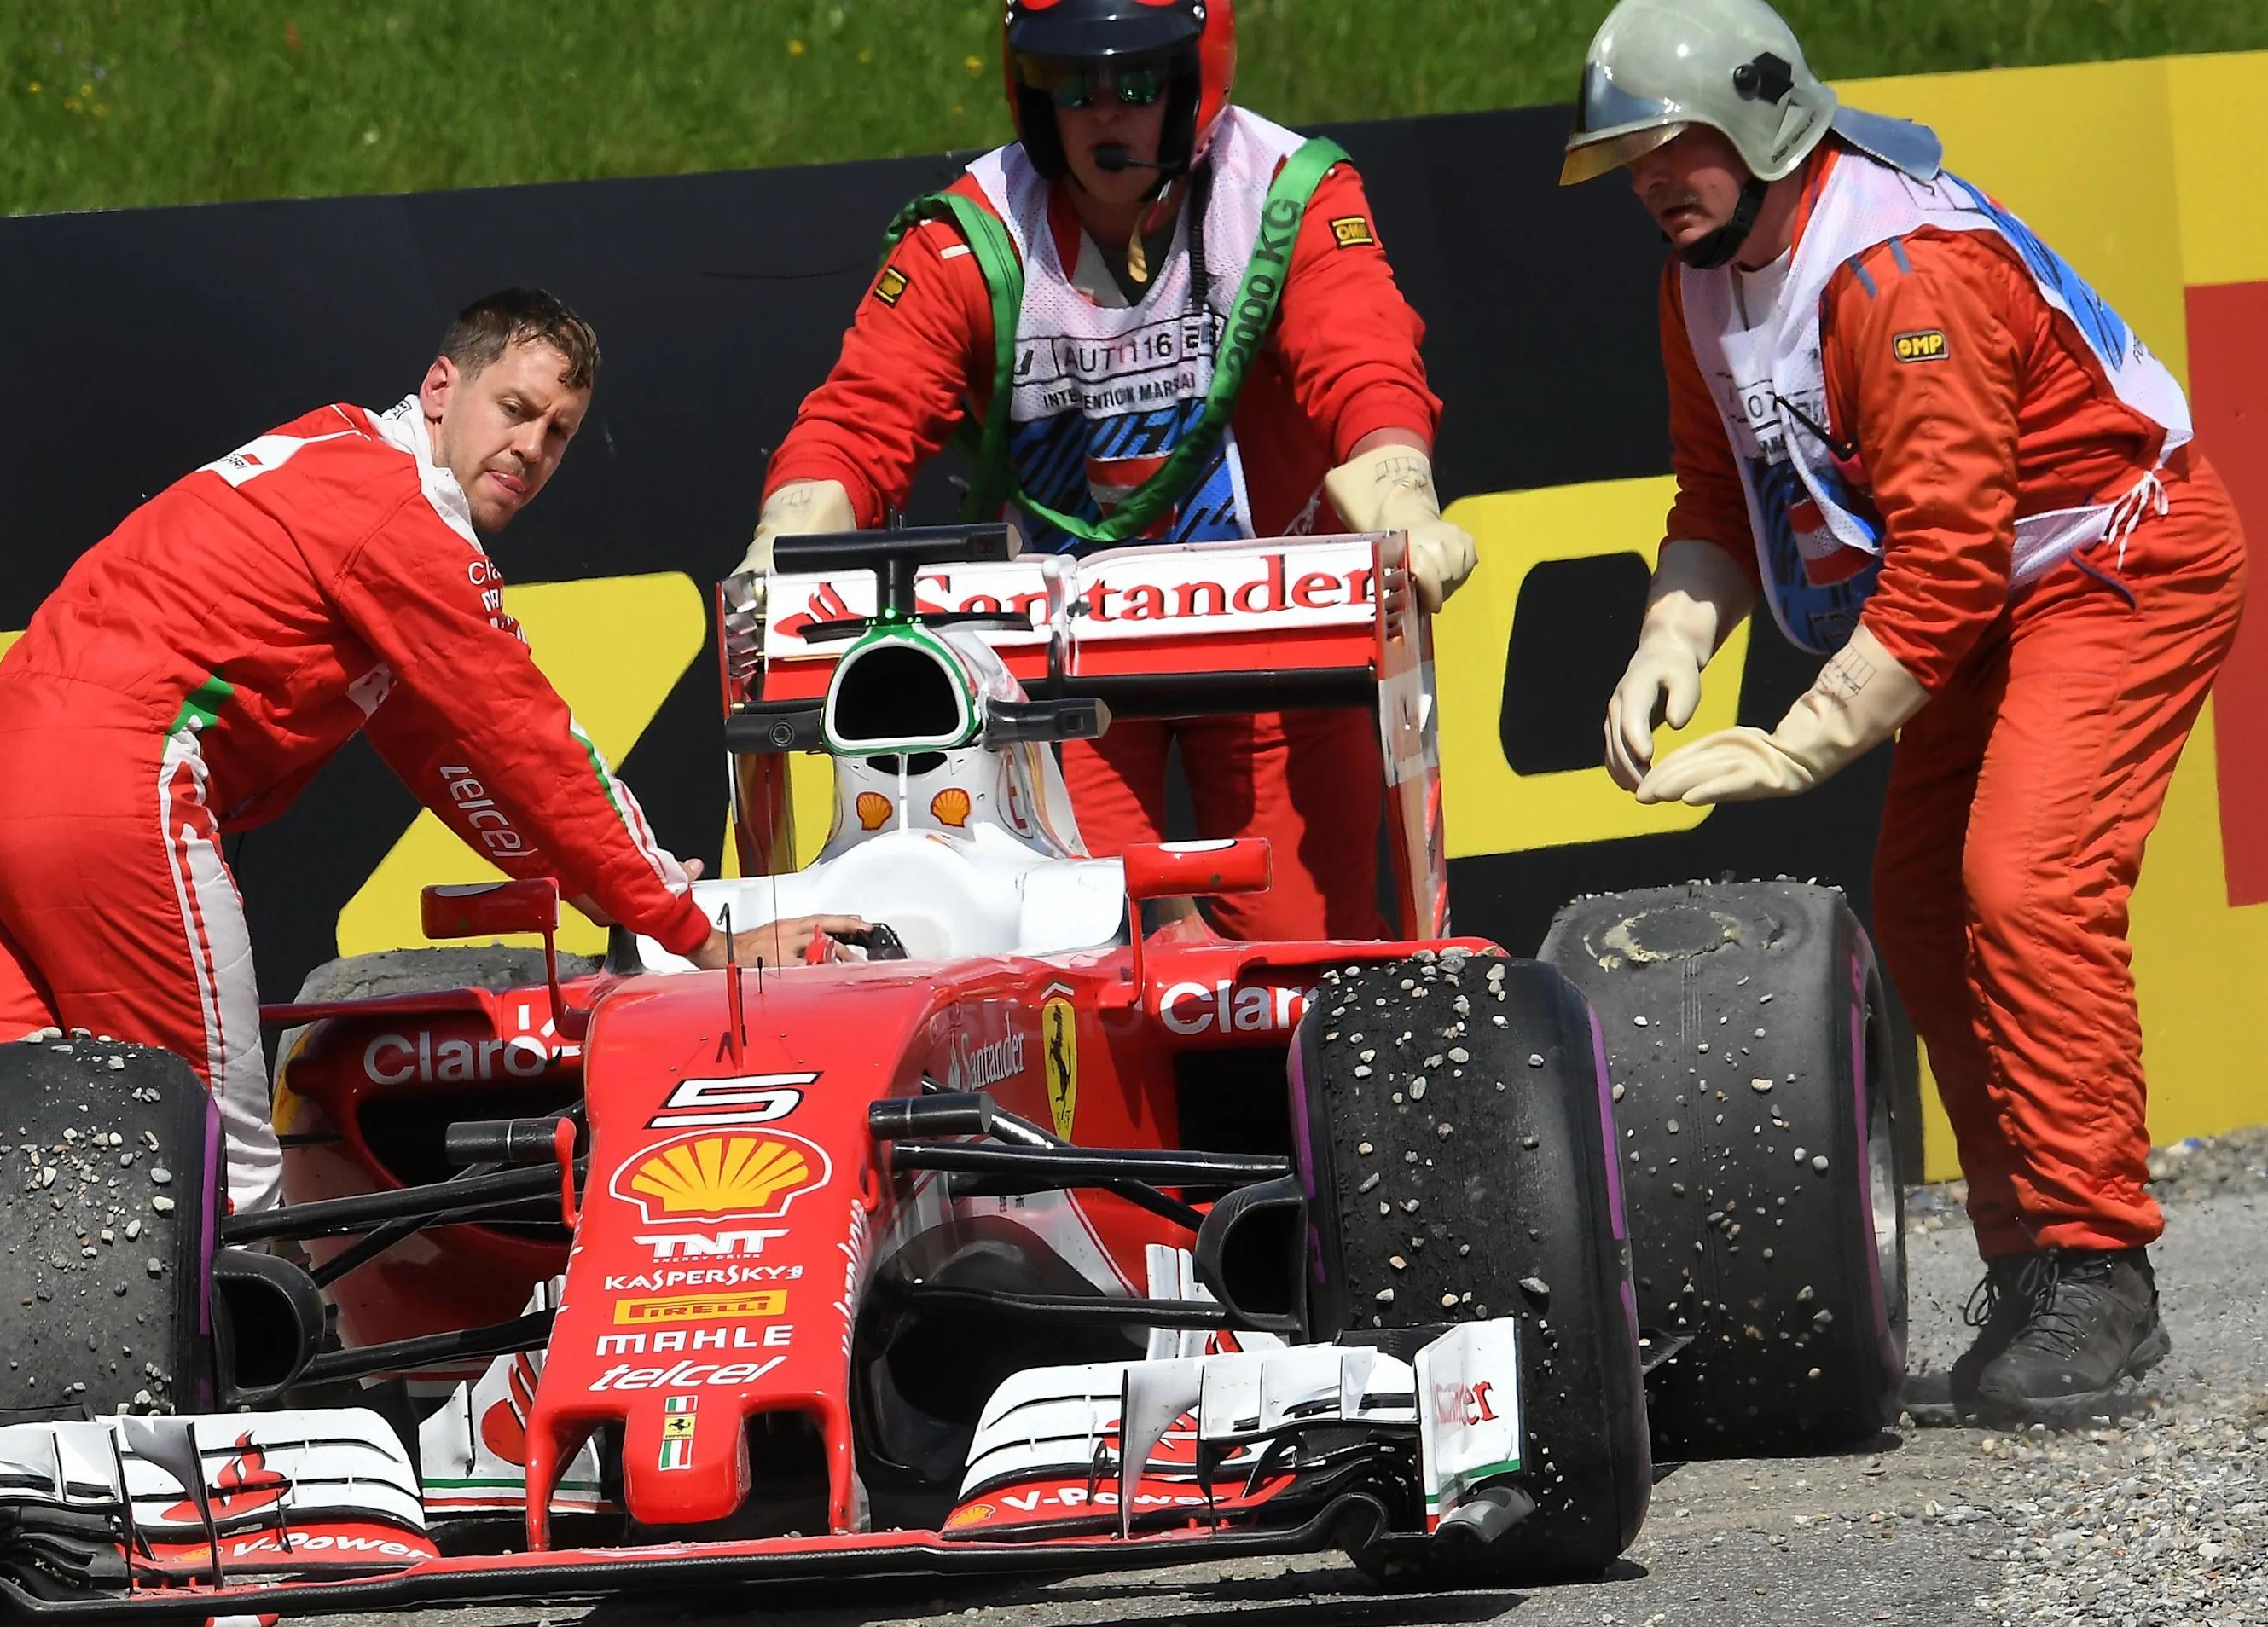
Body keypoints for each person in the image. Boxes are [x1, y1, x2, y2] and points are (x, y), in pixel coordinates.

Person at [0, 288, 862, 1603]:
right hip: (112, 789)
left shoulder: (331, 463)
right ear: (442, 387)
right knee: (220, 1163)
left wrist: (614, 890)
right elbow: (528, 739)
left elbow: (457, 763)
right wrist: (691, 922)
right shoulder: (403, 519)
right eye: (515, 408)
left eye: (558, 432)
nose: (531, 448)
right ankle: (226, 1508)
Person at [1568, 0, 2248, 1424]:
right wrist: (1669, 640)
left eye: (1673, 146)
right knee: (1926, 906)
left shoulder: (1897, 269)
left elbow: (1943, 563)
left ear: (1761, 122)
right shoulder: (1699, 278)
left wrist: (1801, 741)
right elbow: (1716, 499)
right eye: (1629, 157)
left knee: (2026, 881)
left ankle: (2099, 1271)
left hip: (2119, 557)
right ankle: (2031, 1271)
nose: (1648, 179)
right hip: (1992, 589)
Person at [737, 0, 1472, 941]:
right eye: (1072, 86)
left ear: (1192, 77)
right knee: (1073, 951)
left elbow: (1363, 358)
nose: (1105, 114)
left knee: (1306, 954)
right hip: (1060, 666)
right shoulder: (971, 234)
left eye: (1135, 81)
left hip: (1278, 635)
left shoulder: (1287, 195)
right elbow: (860, 418)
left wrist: (1403, 496)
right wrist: (776, 545)